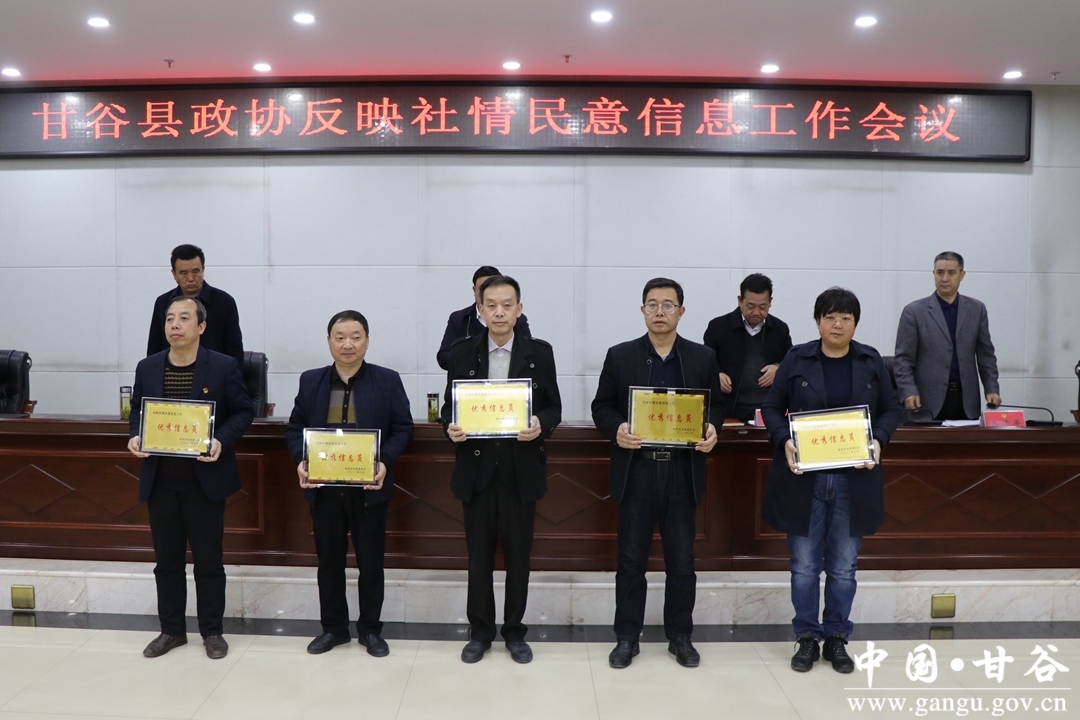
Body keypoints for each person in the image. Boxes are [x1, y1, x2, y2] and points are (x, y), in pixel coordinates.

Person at [761, 287, 902, 674]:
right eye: (830, 317)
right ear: (818, 321)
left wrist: (878, 439)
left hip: (853, 481)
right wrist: (784, 440)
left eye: (845, 318)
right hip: (803, 480)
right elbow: (771, 407)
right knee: (805, 566)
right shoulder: (797, 358)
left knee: (843, 567)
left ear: (855, 323)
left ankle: (837, 636)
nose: (837, 324)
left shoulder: (871, 360)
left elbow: (892, 409)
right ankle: (807, 636)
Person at [591, 278, 724, 670]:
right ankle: (627, 638)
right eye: (652, 304)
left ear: (681, 311)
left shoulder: (702, 357)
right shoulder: (620, 355)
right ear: (642, 311)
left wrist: (712, 427)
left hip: (682, 471)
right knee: (631, 561)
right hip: (637, 470)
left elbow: (716, 407)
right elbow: (601, 406)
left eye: (668, 305)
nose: (660, 311)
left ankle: (680, 636)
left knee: (681, 562)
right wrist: (617, 429)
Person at [441, 275, 561, 664]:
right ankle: (480, 633)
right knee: (478, 557)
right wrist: (450, 427)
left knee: (518, 557)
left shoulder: (539, 353)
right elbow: (449, 408)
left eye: (507, 305)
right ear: (480, 310)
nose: (499, 312)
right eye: (491, 305)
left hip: (519, 470)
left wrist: (541, 423)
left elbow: (553, 407)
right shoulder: (462, 352)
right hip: (476, 470)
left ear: (519, 309)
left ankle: (514, 632)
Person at [127, 296, 254, 659]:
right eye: (170, 318)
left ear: (201, 327)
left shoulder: (223, 366)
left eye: (184, 318)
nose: (175, 324)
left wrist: (220, 440)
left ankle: (212, 632)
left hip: (204, 482)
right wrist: (136, 434)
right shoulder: (148, 366)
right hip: (161, 482)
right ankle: (171, 631)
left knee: (208, 561)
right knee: (167, 562)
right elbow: (138, 410)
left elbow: (243, 412)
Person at [285, 311, 414, 657]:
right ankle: (334, 629)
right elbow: (295, 427)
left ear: (367, 341)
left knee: (371, 563)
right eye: (340, 337)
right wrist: (300, 459)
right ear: (329, 342)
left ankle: (370, 630)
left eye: (356, 337)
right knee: (329, 562)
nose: (348, 344)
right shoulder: (311, 381)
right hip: (325, 490)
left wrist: (384, 461)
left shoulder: (387, 380)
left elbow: (403, 429)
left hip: (370, 490)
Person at [893, 251, 1001, 421]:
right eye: (940, 273)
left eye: (951, 273)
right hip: (926, 402)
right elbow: (903, 359)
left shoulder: (976, 309)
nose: (944, 278)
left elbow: (986, 355)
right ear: (933, 274)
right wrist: (908, 390)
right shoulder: (914, 312)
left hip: (966, 401)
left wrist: (991, 388)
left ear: (962, 275)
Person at [703, 273, 793, 422]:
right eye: (751, 306)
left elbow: (791, 362)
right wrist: (717, 373)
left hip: (768, 410)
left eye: (762, 307)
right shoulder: (718, 327)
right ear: (740, 300)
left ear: (770, 302)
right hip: (728, 410)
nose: (756, 312)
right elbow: (705, 363)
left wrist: (778, 367)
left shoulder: (780, 329)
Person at [147, 244, 245, 368]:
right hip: (172, 373)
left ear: (203, 270)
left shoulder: (224, 302)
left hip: (214, 374)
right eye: (183, 273)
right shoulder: (163, 303)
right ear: (174, 274)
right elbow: (154, 350)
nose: (191, 278)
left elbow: (234, 351)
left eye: (195, 272)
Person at [436, 265, 531, 370]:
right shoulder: (459, 319)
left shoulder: (516, 319)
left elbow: (529, 354)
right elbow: (444, 357)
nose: (499, 314)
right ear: (474, 290)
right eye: (482, 289)